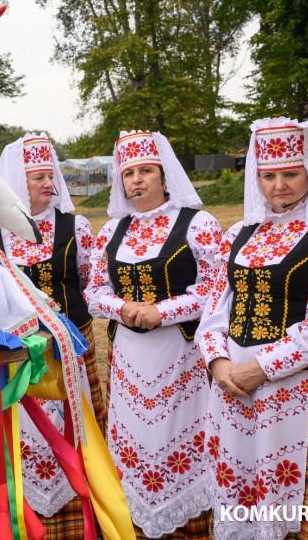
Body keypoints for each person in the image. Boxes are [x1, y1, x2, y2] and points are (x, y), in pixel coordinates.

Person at [195, 117, 308, 539]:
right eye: (269, 175)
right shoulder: (238, 234)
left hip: (297, 388)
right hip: (233, 391)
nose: (279, 185)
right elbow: (215, 309)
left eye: (290, 174)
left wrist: (259, 368)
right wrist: (219, 363)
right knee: (243, 489)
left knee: (298, 502)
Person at [85, 130, 221, 538]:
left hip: (181, 353)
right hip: (128, 354)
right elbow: (93, 292)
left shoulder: (197, 223)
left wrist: (162, 311)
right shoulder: (111, 231)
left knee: (182, 433)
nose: (137, 180)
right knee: (135, 437)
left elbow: (217, 290)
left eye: (146, 171)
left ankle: (192, 523)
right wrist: (125, 308)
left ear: (165, 176)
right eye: (129, 174)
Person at [0, 133, 107, 537]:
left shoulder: (74, 225)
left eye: (51, 176)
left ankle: (83, 514)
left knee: (76, 428)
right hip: (19, 353)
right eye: (38, 177)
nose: (49, 184)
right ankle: (28, 515)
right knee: (28, 430)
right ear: (15, 181)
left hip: (72, 345)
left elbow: (92, 283)